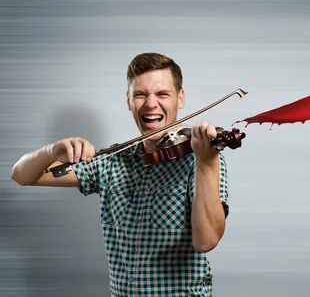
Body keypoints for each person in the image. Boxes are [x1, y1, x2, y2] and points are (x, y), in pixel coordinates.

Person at [11, 52, 230, 296]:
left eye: (162, 94)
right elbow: (21, 175)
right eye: (140, 94)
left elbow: (206, 241)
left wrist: (206, 161)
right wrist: (51, 151)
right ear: (128, 100)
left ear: (180, 98)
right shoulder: (110, 161)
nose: (150, 104)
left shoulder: (198, 159)